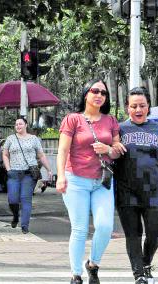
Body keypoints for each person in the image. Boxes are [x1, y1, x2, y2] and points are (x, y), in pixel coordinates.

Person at [56, 78, 124, 284]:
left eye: (103, 93)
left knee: (104, 226)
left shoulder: (111, 120)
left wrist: (109, 149)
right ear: (86, 94)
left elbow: (117, 151)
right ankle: (76, 275)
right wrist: (60, 176)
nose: (99, 95)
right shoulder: (73, 119)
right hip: (75, 180)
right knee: (80, 229)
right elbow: (63, 150)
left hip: (102, 180)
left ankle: (92, 264)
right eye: (95, 91)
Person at [113, 87, 158, 284]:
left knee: (155, 233)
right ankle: (139, 274)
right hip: (126, 191)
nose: (138, 109)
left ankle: (146, 262)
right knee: (133, 235)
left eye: (142, 105)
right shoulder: (119, 129)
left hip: (153, 191)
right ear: (127, 108)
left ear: (148, 106)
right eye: (133, 106)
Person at [2, 117, 52, 233]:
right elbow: (5, 155)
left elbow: (41, 155)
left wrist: (49, 169)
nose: (18, 126)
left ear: (26, 125)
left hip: (29, 174)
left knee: (26, 199)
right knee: (12, 199)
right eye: (16, 124)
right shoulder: (10, 139)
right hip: (13, 173)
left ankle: (25, 225)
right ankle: (15, 215)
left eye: (20, 124)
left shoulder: (34, 139)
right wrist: (8, 169)